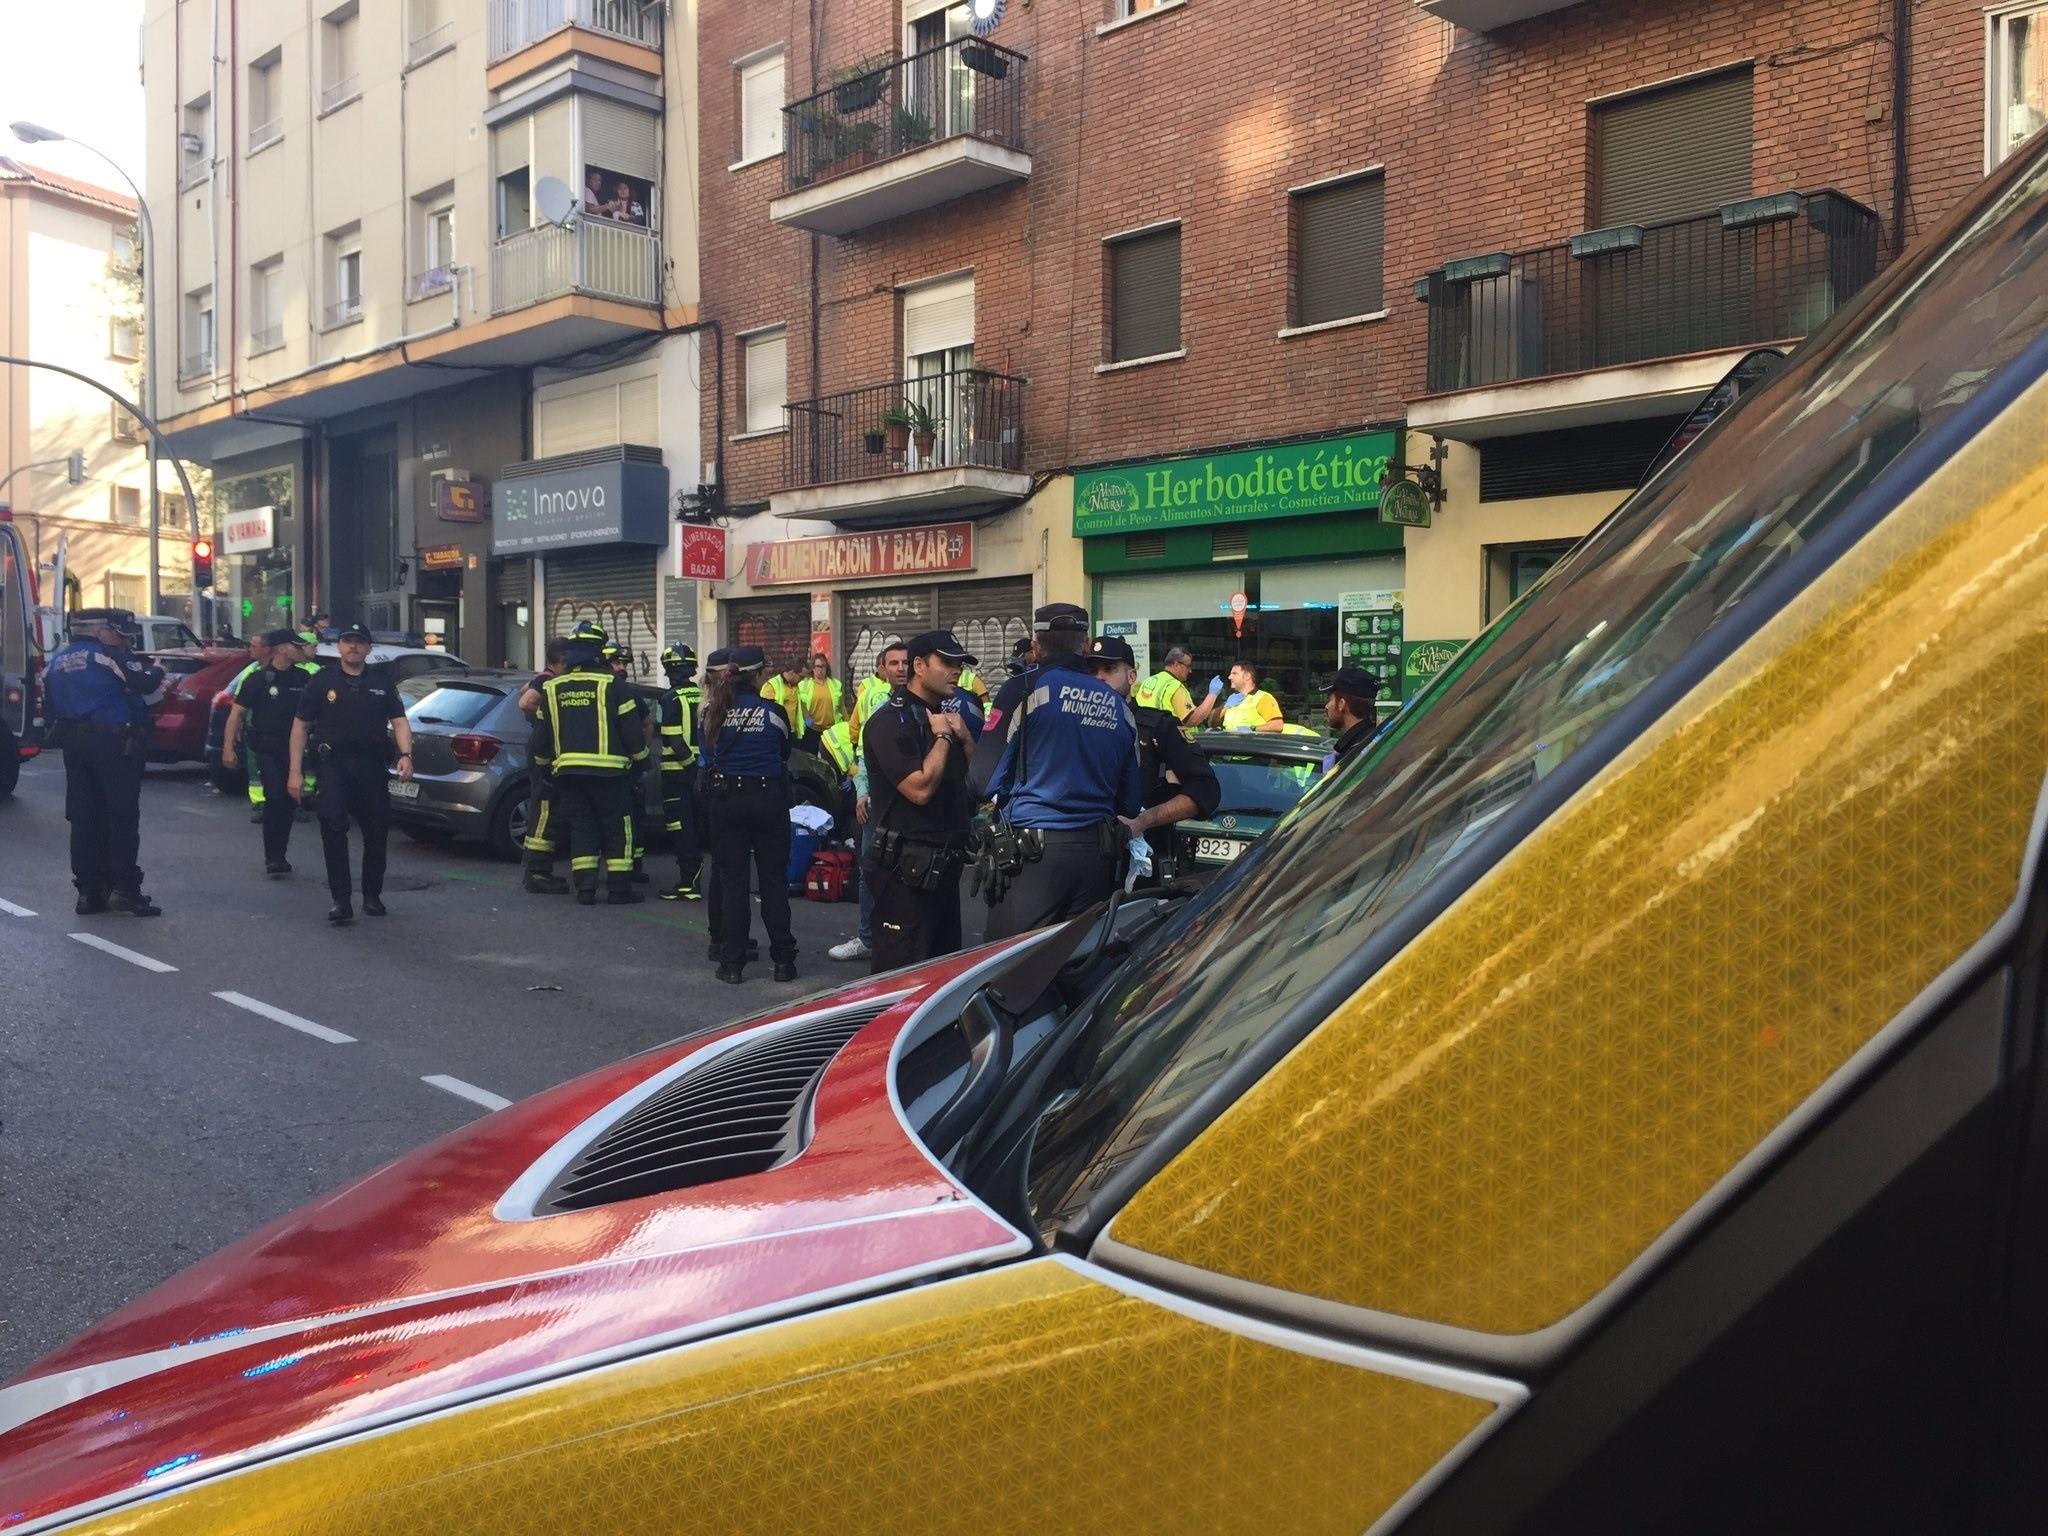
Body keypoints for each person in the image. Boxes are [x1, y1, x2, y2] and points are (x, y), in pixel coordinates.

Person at [979, 603, 1142, 940]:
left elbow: (981, 780)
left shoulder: (1022, 689)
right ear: (1085, 647)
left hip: (1033, 862)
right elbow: (1130, 802)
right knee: (1077, 968)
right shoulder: (1118, 706)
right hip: (1096, 862)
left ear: (1035, 647)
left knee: (1012, 972)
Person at [862, 631, 977, 973]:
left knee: (942, 977)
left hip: (945, 870)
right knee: (901, 981)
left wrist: (966, 738)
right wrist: (943, 736)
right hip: (904, 876)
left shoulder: (948, 719)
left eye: (959, 664)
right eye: (947, 663)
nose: (956, 671)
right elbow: (920, 789)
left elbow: (979, 783)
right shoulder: (889, 722)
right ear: (919, 666)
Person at [289, 622, 414, 924]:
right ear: (340, 646)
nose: (353, 646)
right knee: (333, 828)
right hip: (333, 766)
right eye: (348, 641)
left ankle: (372, 894)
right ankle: (341, 900)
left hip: (371, 766)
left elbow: (399, 720)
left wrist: (406, 755)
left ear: (369, 648)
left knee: (375, 831)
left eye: (359, 642)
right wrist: (295, 771)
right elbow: (301, 725)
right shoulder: (322, 681)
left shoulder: (382, 682)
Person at [42, 613, 164, 916]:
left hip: (74, 743)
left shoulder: (56, 662)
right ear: (101, 632)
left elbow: (49, 709)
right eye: (117, 633)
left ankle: (89, 892)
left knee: (84, 817)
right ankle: (125, 888)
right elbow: (143, 684)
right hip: (111, 743)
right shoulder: (108, 656)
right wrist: (159, 672)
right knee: (121, 815)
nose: (122, 639)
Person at [1086, 635, 1221, 880]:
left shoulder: (1157, 725)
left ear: (1131, 676)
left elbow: (1206, 790)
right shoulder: (1074, 726)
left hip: (1141, 867)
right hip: (1085, 862)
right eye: (1092, 670)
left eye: (1109, 669)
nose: (1099, 678)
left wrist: (1144, 821)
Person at [702, 644, 798, 984]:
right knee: (773, 881)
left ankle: (732, 963)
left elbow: (707, 751)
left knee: (734, 884)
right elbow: (785, 749)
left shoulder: (713, 711)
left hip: (727, 801)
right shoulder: (773, 712)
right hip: (768, 799)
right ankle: (784, 960)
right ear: (759, 675)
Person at [532, 622, 643, 907]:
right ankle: (619, 890)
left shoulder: (552, 687)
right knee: (618, 828)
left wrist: (545, 769)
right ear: (598, 651)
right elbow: (632, 733)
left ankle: (585, 889)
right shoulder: (612, 684)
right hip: (610, 774)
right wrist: (642, 762)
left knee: (582, 828)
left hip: (568, 774)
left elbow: (541, 740)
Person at [829, 641, 911, 963]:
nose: (900, 668)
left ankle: (906, 939)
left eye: (906, 662)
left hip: (910, 803)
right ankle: (867, 938)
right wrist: (861, 791)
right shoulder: (873, 701)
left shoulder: (924, 705)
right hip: (876, 800)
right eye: (894, 663)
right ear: (882, 668)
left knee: (907, 871)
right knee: (870, 869)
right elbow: (864, 753)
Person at [224, 629, 319, 876]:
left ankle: (280, 854)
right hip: (267, 747)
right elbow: (236, 713)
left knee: (287, 802)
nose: (300, 650)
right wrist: (228, 749)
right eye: (295, 646)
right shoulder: (257, 679)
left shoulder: (303, 678)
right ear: (281, 648)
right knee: (275, 796)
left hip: (295, 748)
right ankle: (273, 857)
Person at [518, 637, 572, 894]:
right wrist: (551, 710)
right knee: (545, 811)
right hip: (543, 753)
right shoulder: (549, 681)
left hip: (541, 750)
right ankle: (537, 872)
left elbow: (523, 689)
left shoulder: (542, 678)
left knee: (544, 808)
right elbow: (525, 701)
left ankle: (533, 867)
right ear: (561, 661)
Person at [655, 643, 705, 902]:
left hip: (678, 775)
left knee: (680, 827)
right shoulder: (703, 696)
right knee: (699, 825)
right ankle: (694, 879)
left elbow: (673, 740)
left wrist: (691, 769)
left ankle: (688, 883)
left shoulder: (669, 700)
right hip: (701, 773)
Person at [604, 642, 654, 883]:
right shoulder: (605, 690)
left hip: (627, 768)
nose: (622, 667)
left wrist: (640, 754)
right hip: (608, 769)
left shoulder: (630, 692)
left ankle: (634, 867)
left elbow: (646, 723)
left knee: (633, 820)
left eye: (624, 663)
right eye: (617, 662)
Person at [223, 631, 273, 822]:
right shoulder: (251, 672)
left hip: (279, 733)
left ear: (266, 649)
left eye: (253, 645)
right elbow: (236, 701)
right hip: (255, 729)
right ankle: (259, 804)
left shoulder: (290, 673)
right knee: (255, 769)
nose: (249, 649)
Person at [1134, 646, 1225, 735]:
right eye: (1188, 666)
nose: (1190, 671)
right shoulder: (1175, 686)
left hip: (1148, 739)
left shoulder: (1148, 681)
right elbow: (1192, 720)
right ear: (1176, 665)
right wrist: (1212, 695)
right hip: (1169, 741)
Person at [1318, 667, 1383, 775]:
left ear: (1341, 704)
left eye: (1330, 700)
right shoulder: (1372, 742)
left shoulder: (1354, 754)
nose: (1326, 706)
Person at [1220, 661, 1286, 732]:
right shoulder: (1232, 699)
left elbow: (1277, 725)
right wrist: (1225, 707)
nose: (1229, 677)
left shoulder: (1263, 698)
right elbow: (1212, 723)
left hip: (1252, 742)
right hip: (1229, 742)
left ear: (1247, 676)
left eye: (1234, 674)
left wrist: (1253, 729)